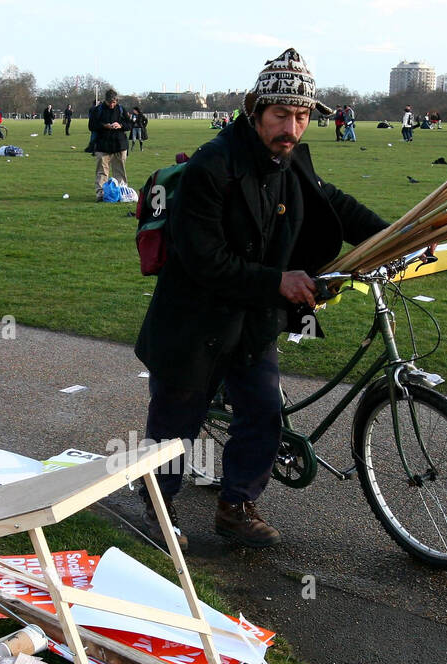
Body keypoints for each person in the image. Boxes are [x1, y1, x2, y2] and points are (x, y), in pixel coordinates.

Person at [133, 48, 391, 548]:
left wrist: (399, 235)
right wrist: (278, 281)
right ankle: (158, 511)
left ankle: (236, 506)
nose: (291, 127)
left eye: (301, 116)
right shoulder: (213, 166)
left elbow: (337, 207)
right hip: (193, 321)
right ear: (255, 111)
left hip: (252, 322)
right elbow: (203, 257)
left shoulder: (292, 164)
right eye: (280, 115)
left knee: (262, 415)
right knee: (174, 428)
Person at [88, 89, 128, 201]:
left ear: (117, 101)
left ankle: (121, 192)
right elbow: (91, 126)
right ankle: (100, 194)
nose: (112, 105)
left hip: (119, 145)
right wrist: (104, 126)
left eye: (114, 102)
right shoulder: (97, 110)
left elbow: (129, 124)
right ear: (105, 100)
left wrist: (120, 125)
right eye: (110, 102)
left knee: (119, 171)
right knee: (101, 171)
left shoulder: (121, 109)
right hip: (102, 145)